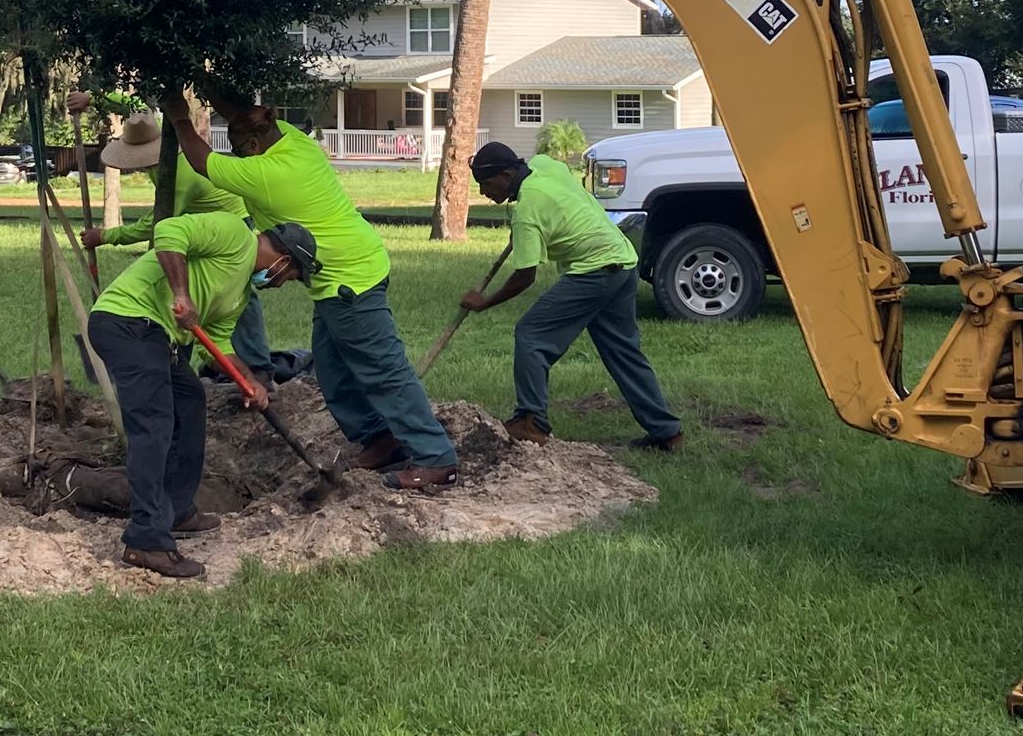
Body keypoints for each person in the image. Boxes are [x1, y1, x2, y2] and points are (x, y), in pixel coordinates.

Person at [163, 88, 461, 493]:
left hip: (348, 279)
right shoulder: (290, 139)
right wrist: (201, 81)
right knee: (332, 367)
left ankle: (434, 458)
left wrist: (180, 114)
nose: (238, 156)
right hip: (338, 274)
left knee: (382, 369)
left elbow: (200, 160)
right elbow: (245, 114)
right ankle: (379, 438)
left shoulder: (266, 174)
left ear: (252, 145)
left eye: (239, 148)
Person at [87, 212, 319, 580]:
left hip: (160, 338)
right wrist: (181, 293)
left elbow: (220, 344)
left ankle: (177, 510)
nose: (280, 284)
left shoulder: (239, 294)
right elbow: (168, 230)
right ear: (283, 261)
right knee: (154, 423)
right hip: (128, 320)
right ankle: (146, 540)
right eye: (290, 277)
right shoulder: (233, 235)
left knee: (191, 403)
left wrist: (250, 382)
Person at [460, 140, 684, 452]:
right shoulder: (542, 165)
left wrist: (484, 302)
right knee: (624, 353)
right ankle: (666, 432)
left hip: (594, 270)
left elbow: (525, 277)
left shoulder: (526, 211)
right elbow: (558, 177)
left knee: (531, 335)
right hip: (622, 260)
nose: (484, 193)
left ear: (508, 173)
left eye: (486, 184)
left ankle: (531, 421)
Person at [82, 109, 275, 379]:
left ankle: (256, 366)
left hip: (230, 228)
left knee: (234, 296)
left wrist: (106, 236)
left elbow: (157, 224)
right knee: (181, 284)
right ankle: (176, 356)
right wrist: (91, 100)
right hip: (195, 227)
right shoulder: (160, 162)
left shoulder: (181, 174)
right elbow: (133, 104)